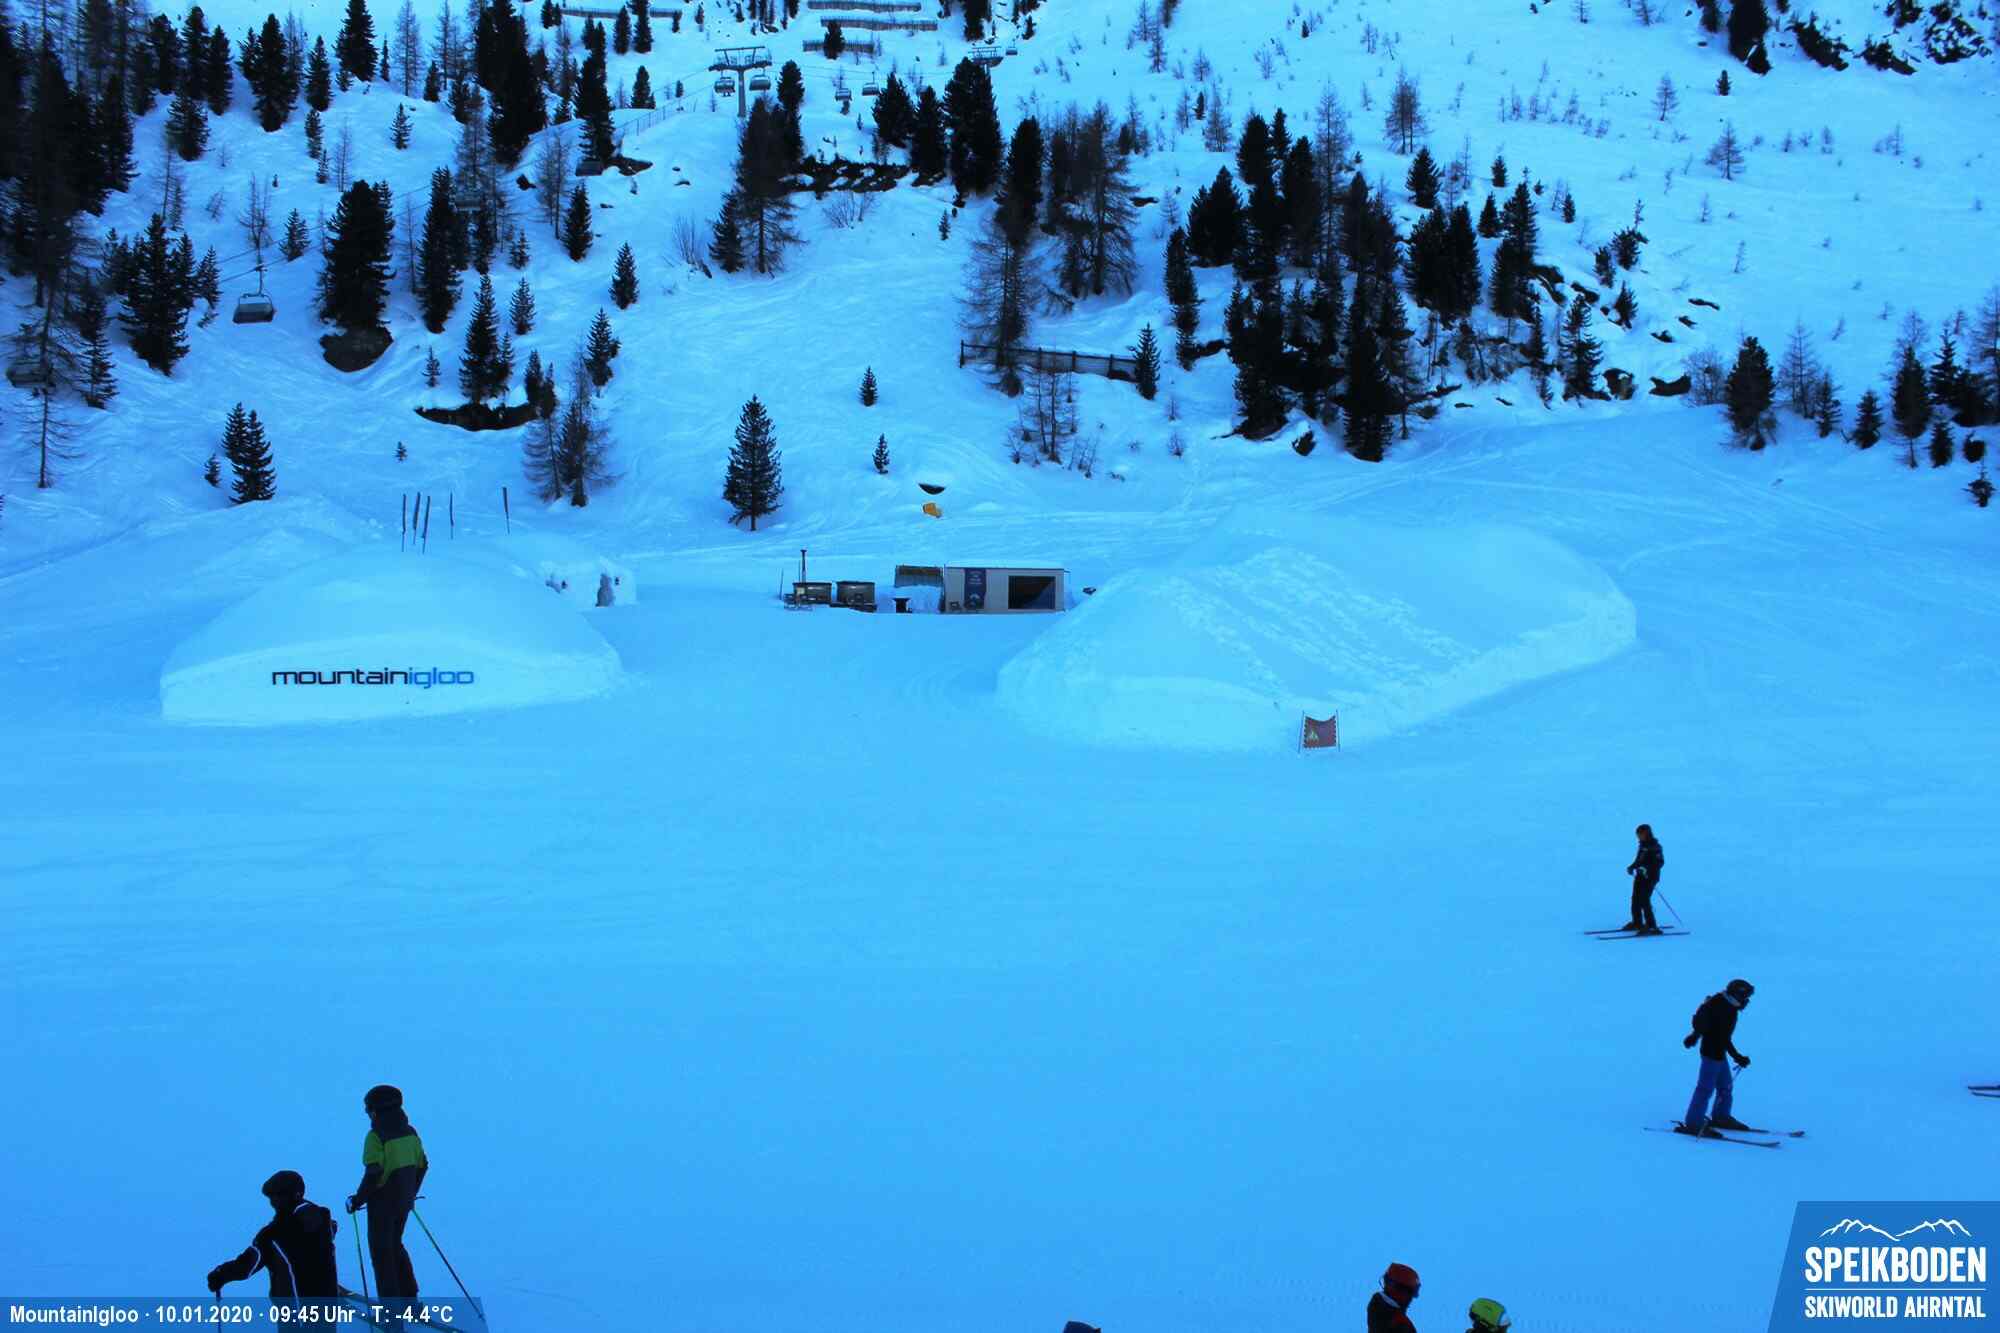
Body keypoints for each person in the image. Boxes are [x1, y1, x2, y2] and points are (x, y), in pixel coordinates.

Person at [347, 1084, 428, 1303]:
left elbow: (374, 1173)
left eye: (368, 1109)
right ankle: (411, 1301)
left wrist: (357, 1200)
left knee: (382, 1255)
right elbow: (423, 1165)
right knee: (395, 1246)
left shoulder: (376, 1137)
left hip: (382, 1206)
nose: (368, 1114)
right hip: (403, 1203)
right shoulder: (411, 1133)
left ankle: (392, 1312)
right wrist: (410, 1193)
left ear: (375, 1110)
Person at [207, 1171, 340, 1299]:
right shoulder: (323, 1221)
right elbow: (331, 1228)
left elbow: (246, 1266)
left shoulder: (273, 1235)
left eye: (276, 1197)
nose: (272, 1203)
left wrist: (220, 1275)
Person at [1679, 979, 1754, 1135]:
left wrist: (1694, 1036)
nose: (1747, 1001)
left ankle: (1721, 1117)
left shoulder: (1726, 1004)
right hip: (1712, 1053)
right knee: (1705, 1088)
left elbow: (1714, 1030)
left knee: (1725, 1086)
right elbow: (1722, 1037)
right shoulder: (1723, 1008)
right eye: (1745, 996)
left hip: (1718, 1052)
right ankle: (1694, 1123)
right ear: (1737, 994)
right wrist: (1737, 1057)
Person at [1625, 823, 1665, 933]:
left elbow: (1659, 862)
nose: (1638, 837)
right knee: (1635, 899)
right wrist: (1632, 867)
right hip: (1640, 877)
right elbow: (1639, 860)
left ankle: (1651, 926)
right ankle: (1637, 922)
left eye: (1640, 835)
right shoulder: (1642, 846)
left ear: (1647, 834)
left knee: (1644, 900)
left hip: (1650, 877)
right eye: (1637, 835)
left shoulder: (1655, 847)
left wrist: (1646, 868)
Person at [1368, 1262, 1421, 1331]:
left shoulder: (1376, 1307)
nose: (1411, 1298)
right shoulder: (1401, 1326)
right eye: (1411, 1293)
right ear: (1400, 1291)